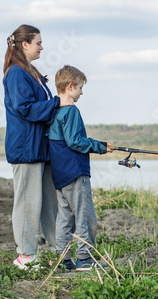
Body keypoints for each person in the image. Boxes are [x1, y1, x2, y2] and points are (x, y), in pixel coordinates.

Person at [3, 24, 74, 269]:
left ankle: (60, 254)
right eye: (38, 43)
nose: (42, 47)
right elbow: (26, 109)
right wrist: (58, 102)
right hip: (26, 151)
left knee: (50, 204)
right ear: (25, 44)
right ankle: (25, 257)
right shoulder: (16, 73)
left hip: (41, 150)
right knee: (27, 203)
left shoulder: (29, 71)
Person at [46, 65, 113, 271]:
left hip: (60, 175)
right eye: (81, 87)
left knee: (65, 218)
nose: (82, 92)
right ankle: (85, 259)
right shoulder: (71, 111)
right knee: (84, 216)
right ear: (70, 86)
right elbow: (75, 142)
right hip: (75, 172)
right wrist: (100, 146)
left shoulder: (54, 112)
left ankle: (63, 260)